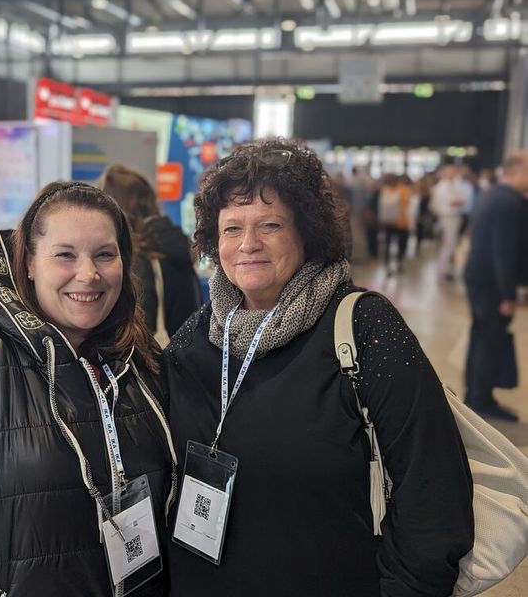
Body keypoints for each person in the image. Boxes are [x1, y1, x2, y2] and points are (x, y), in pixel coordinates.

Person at [163, 139, 474, 596]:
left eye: (270, 225)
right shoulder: (197, 336)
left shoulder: (362, 327)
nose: (248, 244)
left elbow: (433, 487)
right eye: (231, 229)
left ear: (306, 234)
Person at [0, 181, 177, 596]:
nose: (89, 274)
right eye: (65, 255)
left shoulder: (137, 357)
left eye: (104, 255)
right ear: (28, 263)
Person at [98, 163, 201, 343]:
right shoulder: (174, 240)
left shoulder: (138, 252)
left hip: (152, 359)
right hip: (186, 353)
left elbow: (143, 320)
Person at [463, 151, 528, 421]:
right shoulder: (508, 203)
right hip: (491, 284)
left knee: (482, 336)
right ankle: (481, 400)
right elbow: (504, 252)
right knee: (490, 339)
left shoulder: (496, 196)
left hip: (481, 279)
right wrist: (508, 294)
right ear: (517, 171)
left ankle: (477, 394)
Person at [431, 162, 473, 281]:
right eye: (451, 172)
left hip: (455, 217)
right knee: (448, 245)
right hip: (448, 218)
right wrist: (455, 204)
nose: (454, 174)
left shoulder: (454, 185)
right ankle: (443, 271)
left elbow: (463, 200)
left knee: (451, 245)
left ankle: (447, 270)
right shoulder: (441, 187)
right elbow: (443, 205)